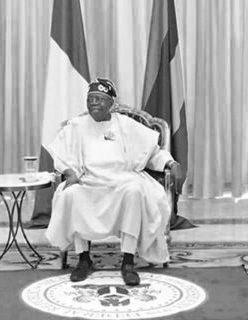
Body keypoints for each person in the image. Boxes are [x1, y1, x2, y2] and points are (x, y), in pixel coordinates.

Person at [45, 78, 185, 286]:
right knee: (71, 194)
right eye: (90, 99)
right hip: (88, 181)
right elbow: (61, 156)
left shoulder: (125, 125)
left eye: (100, 99)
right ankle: (84, 260)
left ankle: (128, 261)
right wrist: (69, 173)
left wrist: (171, 163)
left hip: (123, 181)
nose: (94, 103)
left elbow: (153, 154)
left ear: (111, 103)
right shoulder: (77, 126)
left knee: (135, 191)